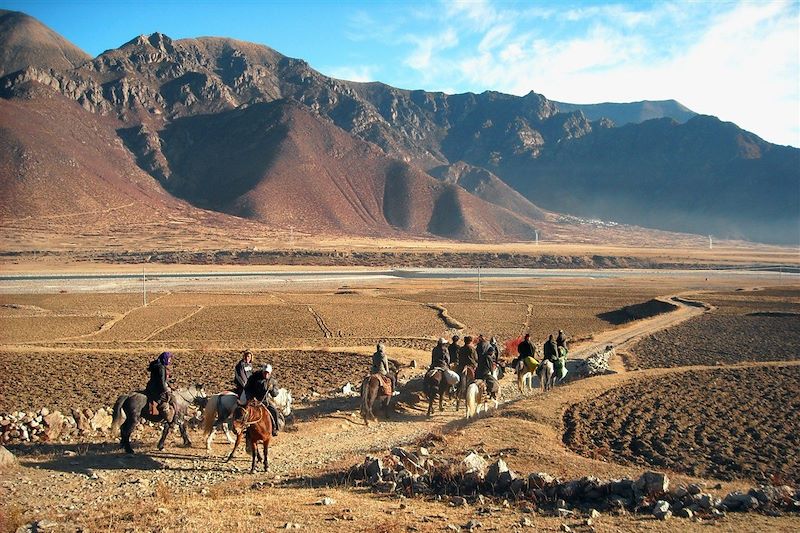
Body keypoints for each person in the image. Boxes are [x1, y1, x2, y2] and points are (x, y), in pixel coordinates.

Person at [242, 364, 280, 436]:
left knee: (274, 411)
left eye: (267, 373)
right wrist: (251, 397)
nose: (266, 374)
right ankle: (245, 429)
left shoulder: (272, 381)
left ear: (270, 373)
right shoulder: (254, 378)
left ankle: (275, 428)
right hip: (253, 401)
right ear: (262, 371)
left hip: (265, 401)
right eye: (265, 372)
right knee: (245, 412)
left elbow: (275, 394)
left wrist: (272, 389)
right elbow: (247, 388)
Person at [145, 351, 173, 418]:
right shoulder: (161, 367)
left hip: (151, 386)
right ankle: (166, 416)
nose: (169, 361)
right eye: (169, 359)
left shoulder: (156, 365)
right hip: (157, 389)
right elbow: (161, 381)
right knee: (169, 398)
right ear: (165, 358)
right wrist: (165, 390)